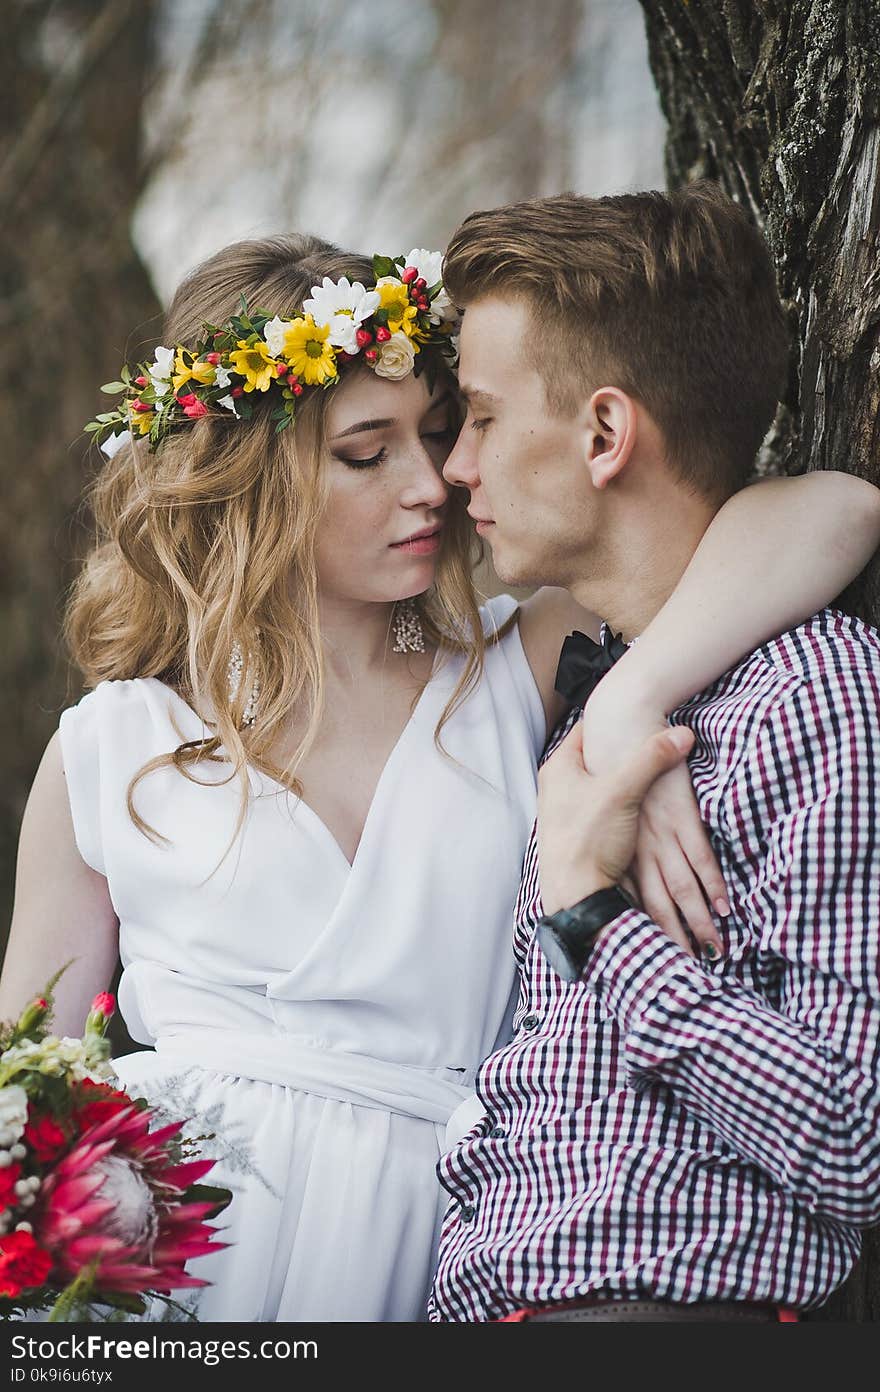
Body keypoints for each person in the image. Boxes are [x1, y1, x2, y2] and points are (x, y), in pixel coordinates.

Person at [1, 232, 878, 1324]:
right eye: (367, 454)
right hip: (184, 1241)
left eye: (439, 433)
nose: (430, 485)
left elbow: (836, 509)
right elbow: (25, 1084)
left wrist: (626, 699)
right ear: (250, 480)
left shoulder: (516, 673)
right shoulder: (109, 747)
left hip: (439, 1238)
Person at [428, 183, 880, 1323]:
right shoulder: (567, 696)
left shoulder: (815, 695)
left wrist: (594, 921)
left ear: (602, 434)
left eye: (481, 418)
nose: (455, 471)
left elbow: (849, 1136)